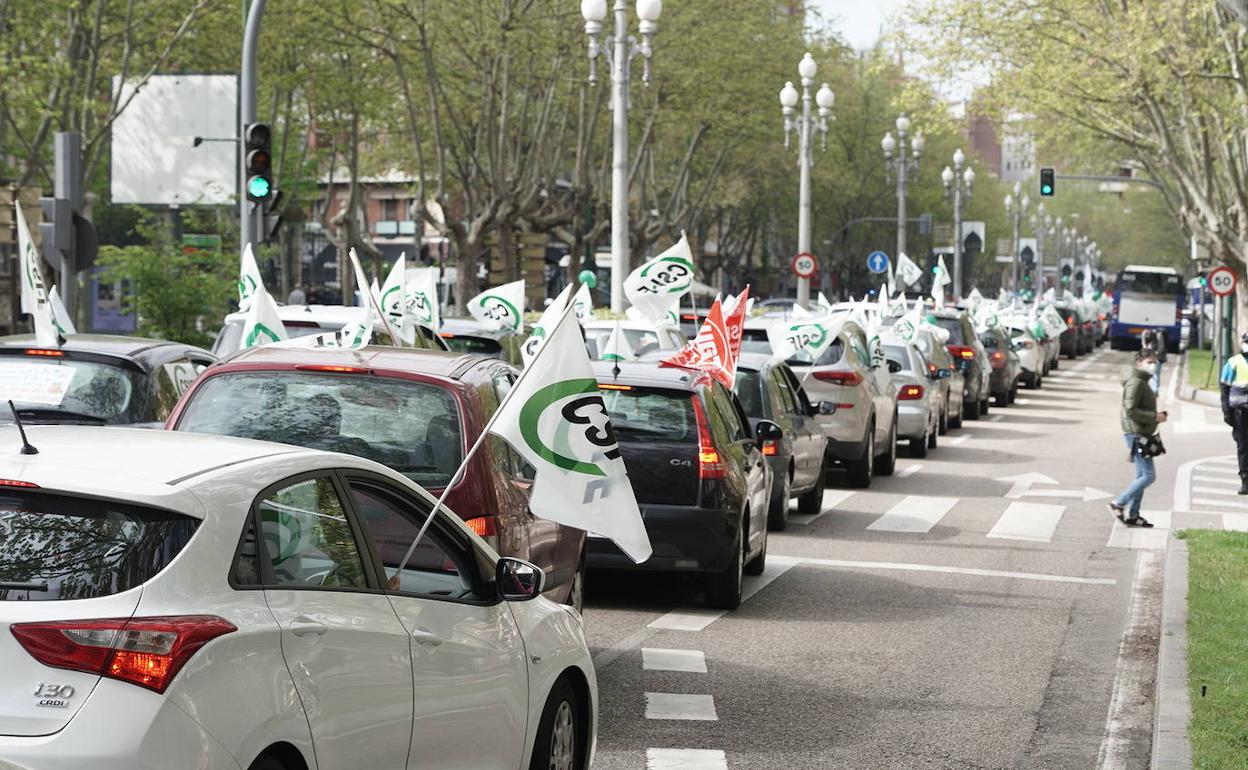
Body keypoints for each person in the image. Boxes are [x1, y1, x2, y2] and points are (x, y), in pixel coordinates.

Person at [1109, 350, 1167, 526]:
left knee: (1141, 475)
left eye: (1155, 362)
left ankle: (1134, 515)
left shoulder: (1142, 381)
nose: (1153, 365)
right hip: (1136, 433)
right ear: (1139, 363)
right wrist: (1153, 417)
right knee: (1148, 476)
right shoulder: (1136, 382)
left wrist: (1155, 416)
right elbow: (1130, 410)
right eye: (1149, 362)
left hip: (1140, 432)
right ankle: (1119, 503)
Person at [1220, 331, 1248, 494]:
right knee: (1243, 447)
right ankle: (1245, 480)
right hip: (1240, 413)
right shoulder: (1234, 362)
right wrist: (1227, 412)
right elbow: (1225, 389)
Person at [1140, 328, 1167, 393]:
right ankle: (1151, 389)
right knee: (1149, 373)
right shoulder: (1144, 332)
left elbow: (1161, 346)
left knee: (1156, 373)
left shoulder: (1158, 334)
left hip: (1158, 357)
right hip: (1150, 356)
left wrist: (1156, 355)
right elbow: (1143, 344)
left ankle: (1155, 389)